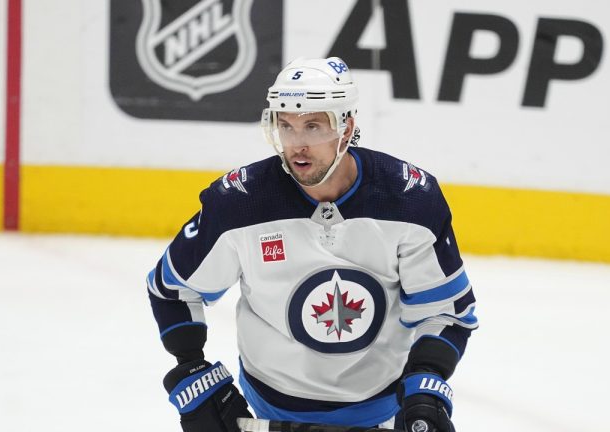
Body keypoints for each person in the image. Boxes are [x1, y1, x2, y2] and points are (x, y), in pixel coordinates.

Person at [147, 57, 478, 432]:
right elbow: (172, 289)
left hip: (383, 408)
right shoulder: (239, 203)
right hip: (269, 409)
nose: (297, 145)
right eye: (286, 126)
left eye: (313, 126)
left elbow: (445, 309)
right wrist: (192, 371)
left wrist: (426, 385)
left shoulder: (409, 200)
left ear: (346, 126)